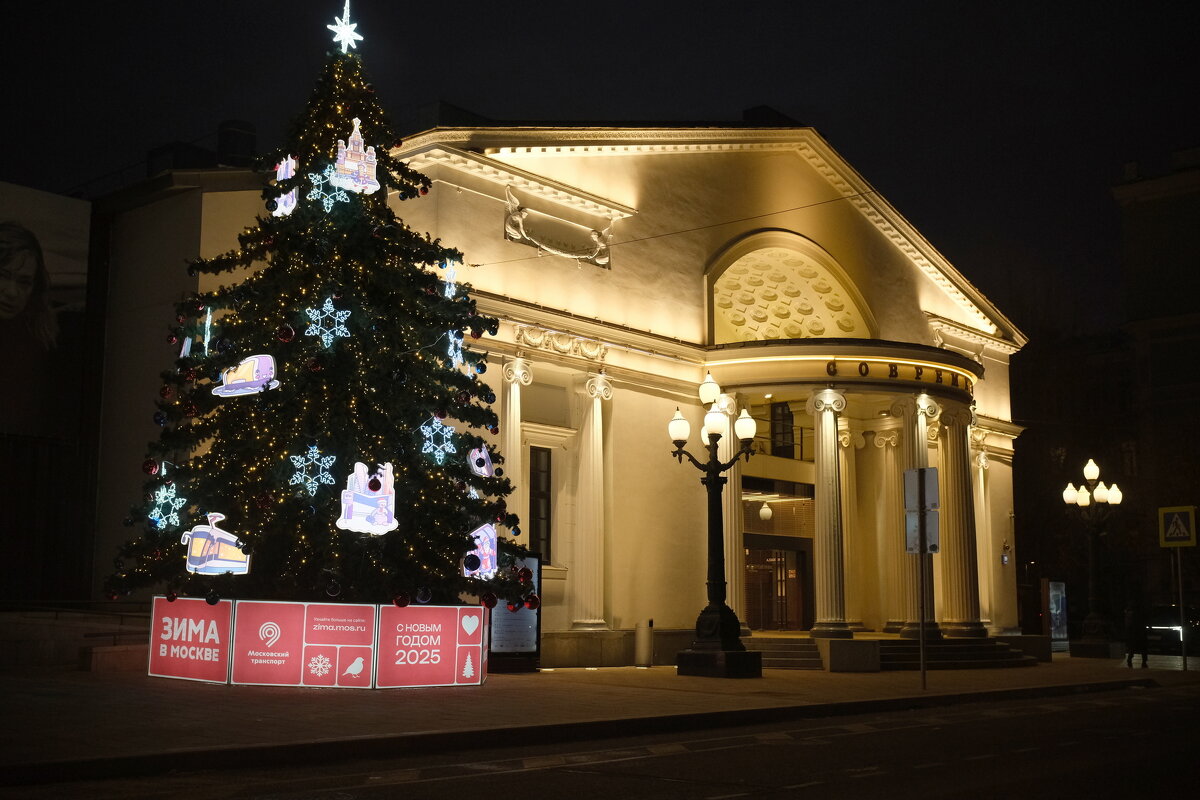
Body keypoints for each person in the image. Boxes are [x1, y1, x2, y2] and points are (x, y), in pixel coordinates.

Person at [1124, 599, 1149, 668]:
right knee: (1142, 648)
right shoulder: (1137, 613)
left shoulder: (1129, 612)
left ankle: (1131, 659)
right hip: (1138, 632)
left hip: (1134, 633)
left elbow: (1128, 624)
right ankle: (1143, 662)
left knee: (1133, 647)